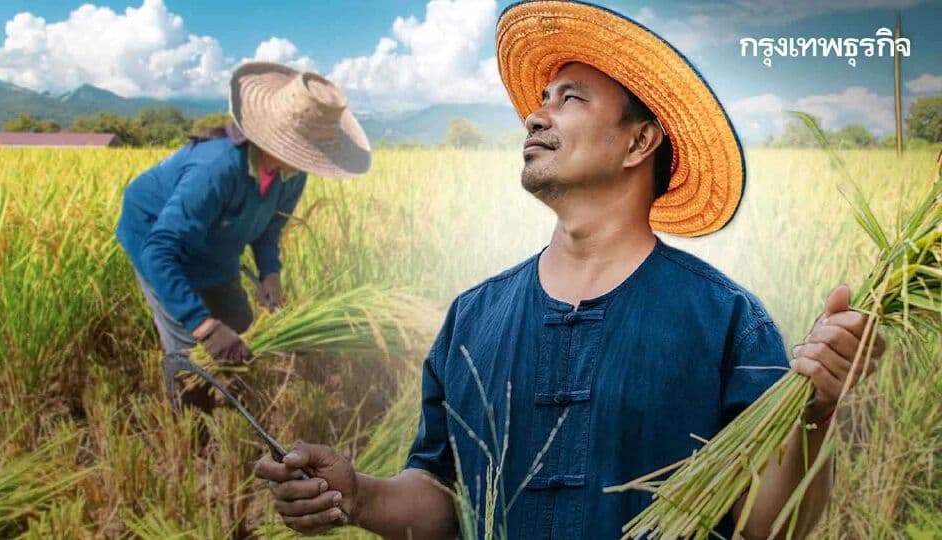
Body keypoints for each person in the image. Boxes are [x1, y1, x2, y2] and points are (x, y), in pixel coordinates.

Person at [253, 2, 886, 538]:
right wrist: (359, 496)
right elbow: (442, 495)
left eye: (570, 98)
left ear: (640, 142)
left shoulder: (726, 319)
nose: (535, 114)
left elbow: (771, 523)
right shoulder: (473, 316)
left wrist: (816, 408)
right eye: (541, 99)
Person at [116, 62, 371, 368]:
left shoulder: (292, 174)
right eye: (307, 150)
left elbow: (269, 226)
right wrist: (203, 327)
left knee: (238, 319)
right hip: (154, 234)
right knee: (192, 347)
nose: (310, 161)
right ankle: (190, 398)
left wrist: (270, 272)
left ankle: (229, 382)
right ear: (277, 139)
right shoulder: (216, 170)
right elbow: (159, 251)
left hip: (215, 236)